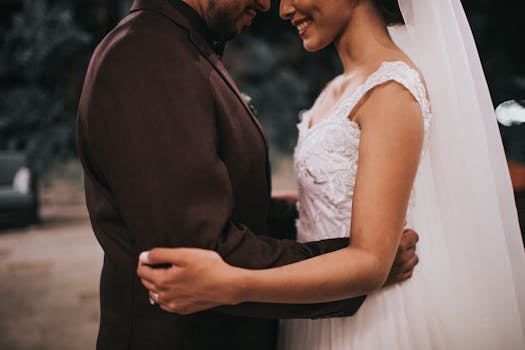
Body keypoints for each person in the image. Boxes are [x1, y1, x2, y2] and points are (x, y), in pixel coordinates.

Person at [138, 0, 525, 349]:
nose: (284, 10)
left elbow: (372, 263)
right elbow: (332, 198)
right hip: (318, 310)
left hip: (371, 323)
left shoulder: (391, 91)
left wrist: (229, 284)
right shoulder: (341, 87)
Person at [76, 0, 420, 349]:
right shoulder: (148, 55)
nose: (270, 5)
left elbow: (206, 201)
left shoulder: (180, 46)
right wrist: (357, 263)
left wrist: (316, 216)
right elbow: (199, 250)